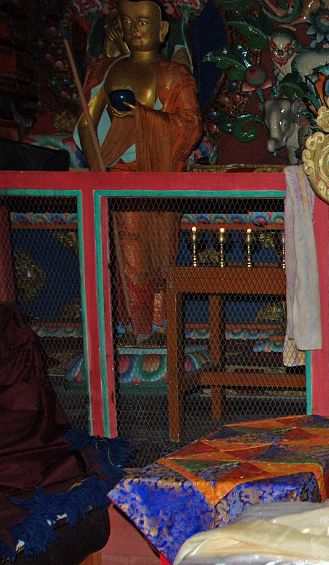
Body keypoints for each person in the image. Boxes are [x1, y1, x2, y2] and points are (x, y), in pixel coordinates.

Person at [77, 0, 200, 339]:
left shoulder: (175, 75)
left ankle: (162, 329)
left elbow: (189, 126)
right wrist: (97, 168)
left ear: (162, 30)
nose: (136, 29)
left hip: (157, 177)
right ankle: (133, 329)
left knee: (158, 259)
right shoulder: (107, 71)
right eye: (128, 22)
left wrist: (143, 118)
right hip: (115, 177)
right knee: (124, 258)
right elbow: (86, 124)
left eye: (144, 22)